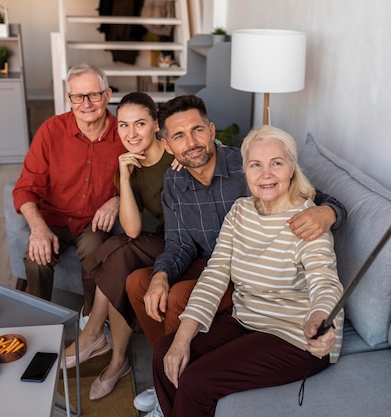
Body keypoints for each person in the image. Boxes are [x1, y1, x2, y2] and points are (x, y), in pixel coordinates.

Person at [125, 95, 346, 414]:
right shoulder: (241, 210)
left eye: (277, 163)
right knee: (164, 352)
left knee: (197, 380)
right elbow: (214, 274)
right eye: (256, 165)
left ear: (291, 167)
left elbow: (325, 283)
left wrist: (319, 318)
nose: (266, 174)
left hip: (295, 335)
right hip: (248, 317)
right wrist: (183, 338)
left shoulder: (307, 220)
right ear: (246, 170)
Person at [61, 92, 174, 400]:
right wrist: (124, 177)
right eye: (123, 125)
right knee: (120, 256)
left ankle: (94, 335)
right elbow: (135, 228)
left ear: (155, 124)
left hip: (185, 244)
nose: (131, 133)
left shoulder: (175, 152)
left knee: (120, 250)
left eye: (140, 124)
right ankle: (114, 359)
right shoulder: (133, 168)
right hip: (163, 240)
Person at [12, 63, 125, 307]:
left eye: (94, 95)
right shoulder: (51, 130)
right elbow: (25, 187)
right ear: (68, 98)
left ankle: (93, 320)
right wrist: (38, 229)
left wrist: (118, 200)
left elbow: (141, 180)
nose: (86, 104)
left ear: (107, 95)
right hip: (53, 218)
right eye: (77, 96)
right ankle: (40, 320)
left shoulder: (124, 134)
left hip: (93, 222)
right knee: (36, 261)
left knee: (95, 250)